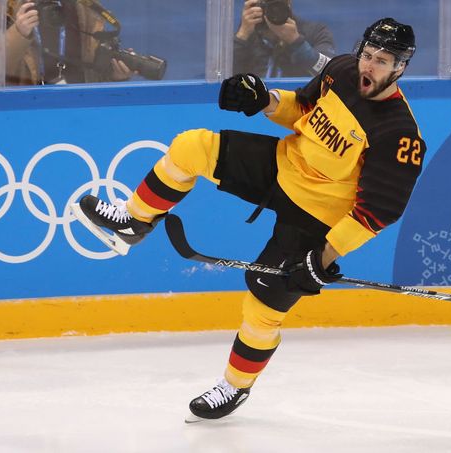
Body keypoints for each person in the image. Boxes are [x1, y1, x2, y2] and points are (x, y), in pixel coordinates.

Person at [73, 17, 426, 422]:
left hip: (317, 216)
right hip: (283, 166)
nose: (369, 66)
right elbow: (303, 109)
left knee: (263, 306)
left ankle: (235, 386)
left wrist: (322, 259)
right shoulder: (343, 70)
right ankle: (134, 221)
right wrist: (264, 100)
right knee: (191, 147)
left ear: (400, 67)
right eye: (368, 54)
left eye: (382, 61)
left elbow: (376, 212)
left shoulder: (399, 134)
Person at [0, 0, 134, 85]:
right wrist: (18, 33)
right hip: (25, 113)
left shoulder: (86, 9)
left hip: (79, 111)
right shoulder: (2, 11)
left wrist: (116, 77)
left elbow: (94, 77)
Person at [233, 0, 335, 77]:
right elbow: (226, 79)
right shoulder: (246, 37)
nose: (273, 10)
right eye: (265, 5)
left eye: (277, 3)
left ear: (288, 3)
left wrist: (296, 42)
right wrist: (241, 36)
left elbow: (332, 74)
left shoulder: (315, 32)